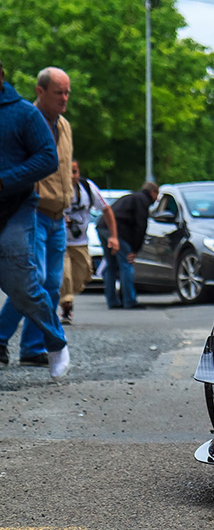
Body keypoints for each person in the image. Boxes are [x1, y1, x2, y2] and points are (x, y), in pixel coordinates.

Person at [0, 66, 74, 371]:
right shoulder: (30, 116)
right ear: (40, 91)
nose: (65, 98)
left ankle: (33, 346)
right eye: (59, 92)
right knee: (34, 280)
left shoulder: (61, 125)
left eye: (67, 92)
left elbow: (58, 165)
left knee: (47, 283)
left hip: (52, 214)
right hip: (36, 212)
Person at [59, 160, 119, 324]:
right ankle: (66, 306)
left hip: (81, 242)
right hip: (60, 242)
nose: (72, 176)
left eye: (75, 171)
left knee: (84, 275)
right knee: (65, 276)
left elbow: (106, 209)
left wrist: (113, 236)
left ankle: (66, 296)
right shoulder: (56, 188)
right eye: (69, 172)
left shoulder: (87, 188)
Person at [97, 181, 158, 309]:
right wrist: (135, 250)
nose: (156, 199)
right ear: (153, 192)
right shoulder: (142, 201)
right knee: (126, 263)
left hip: (102, 226)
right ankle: (130, 300)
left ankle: (112, 300)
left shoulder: (130, 197)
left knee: (111, 264)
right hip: (118, 231)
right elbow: (141, 226)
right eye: (157, 195)